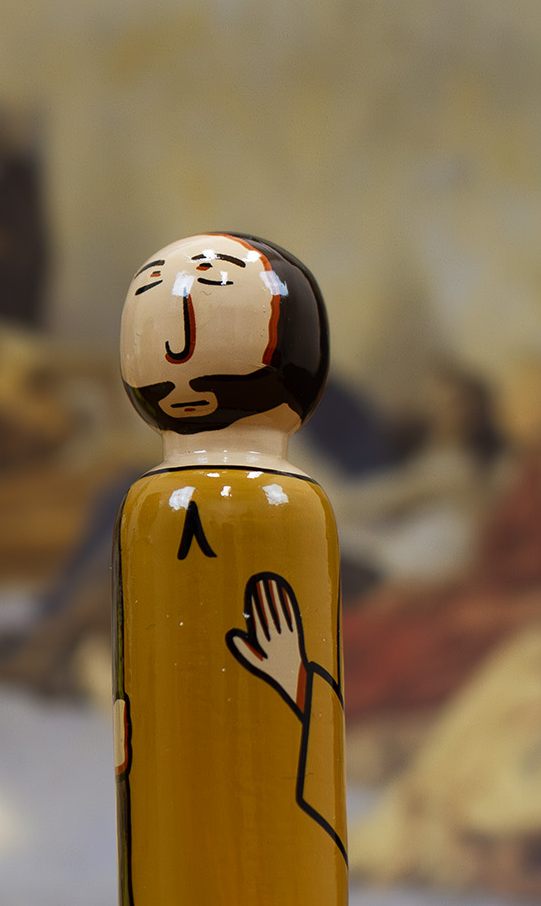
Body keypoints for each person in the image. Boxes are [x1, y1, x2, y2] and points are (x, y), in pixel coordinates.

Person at [113, 233, 346, 905]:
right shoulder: (152, 505)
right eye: (157, 295)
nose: (178, 343)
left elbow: (320, 724)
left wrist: (294, 678)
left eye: (211, 289)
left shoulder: (291, 505)